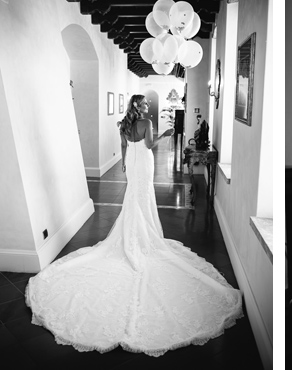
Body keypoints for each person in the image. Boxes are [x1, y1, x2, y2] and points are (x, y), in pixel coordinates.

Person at [26, 94, 243, 356]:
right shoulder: (147, 123)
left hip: (132, 163)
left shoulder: (124, 124)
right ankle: (144, 236)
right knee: (144, 195)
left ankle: (133, 234)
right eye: (145, 105)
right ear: (139, 107)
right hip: (145, 163)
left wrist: (125, 166)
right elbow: (150, 145)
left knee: (134, 197)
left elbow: (125, 147)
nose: (148, 107)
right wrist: (165, 133)